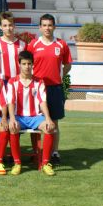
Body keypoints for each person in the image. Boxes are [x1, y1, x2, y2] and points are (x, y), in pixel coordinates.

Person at [26, 14, 72, 164]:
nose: (47, 28)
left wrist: (58, 76)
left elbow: (68, 65)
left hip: (55, 89)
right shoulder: (33, 45)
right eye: (44, 25)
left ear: (54, 27)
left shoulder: (61, 45)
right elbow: (26, 65)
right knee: (35, 121)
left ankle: (54, 152)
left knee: (54, 122)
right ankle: (37, 151)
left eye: (50, 25)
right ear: (40, 27)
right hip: (36, 90)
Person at [6, 51, 56, 176]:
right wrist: (12, 118)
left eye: (29, 63)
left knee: (49, 128)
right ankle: (17, 163)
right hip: (19, 117)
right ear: (19, 64)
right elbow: (10, 102)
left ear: (32, 64)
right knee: (13, 127)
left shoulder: (39, 82)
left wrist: (48, 118)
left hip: (35, 117)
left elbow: (42, 101)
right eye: (24, 64)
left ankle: (45, 163)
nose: (27, 66)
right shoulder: (12, 82)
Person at [0, 11, 26, 82]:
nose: (8, 28)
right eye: (5, 25)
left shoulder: (22, 44)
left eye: (10, 25)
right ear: (0, 27)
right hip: (2, 81)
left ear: (14, 25)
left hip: (18, 81)